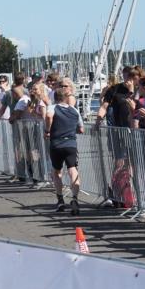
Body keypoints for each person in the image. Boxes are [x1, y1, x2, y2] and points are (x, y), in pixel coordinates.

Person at [44, 80, 84, 215]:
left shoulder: (52, 107)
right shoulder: (74, 110)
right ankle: (75, 198)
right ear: (66, 98)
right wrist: (73, 129)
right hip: (71, 144)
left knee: (57, 171)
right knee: (73, 170)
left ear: (55, 98)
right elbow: (81, 129)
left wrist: (47, 130)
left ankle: (60, 199)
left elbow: (49, 116)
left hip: (56, 143)